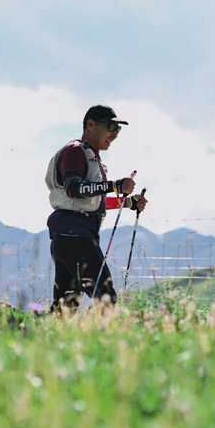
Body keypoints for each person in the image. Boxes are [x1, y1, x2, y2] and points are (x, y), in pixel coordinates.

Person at [45, 105, 149, 311]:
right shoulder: (75, 151)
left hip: (68, 236)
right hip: (75, 236)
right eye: (110, 126)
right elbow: (74, 189)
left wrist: (128, 203)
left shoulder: (90, 156)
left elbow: (92, 201)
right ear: (91, 125)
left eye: (118, 129)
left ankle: (12, 324)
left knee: (64, 310)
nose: (115, 134)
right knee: (106, 299)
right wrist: (115, 186)